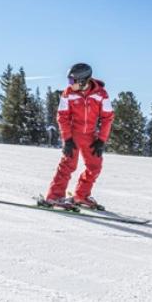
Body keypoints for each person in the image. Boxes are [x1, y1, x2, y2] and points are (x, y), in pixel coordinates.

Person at [41, 63, 114, 209]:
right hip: (73, 134)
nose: (69, 84)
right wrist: (67, 139)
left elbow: (108, 117)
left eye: (72, 81)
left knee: (95, 166)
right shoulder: (68, 93)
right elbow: (62, 116)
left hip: (90, 136)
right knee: (68, 165)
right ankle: (54, 197)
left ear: (83, 81)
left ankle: (81, 195)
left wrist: (101, 140)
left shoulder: (101, 94)